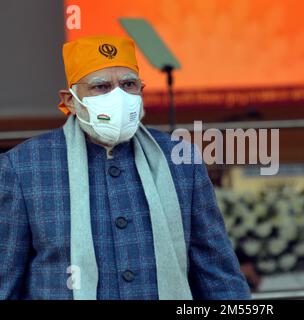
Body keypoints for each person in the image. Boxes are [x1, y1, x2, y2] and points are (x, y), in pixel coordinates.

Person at [0, 35, 251, 300]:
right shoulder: (24, 167)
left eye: (128, 84)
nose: (118, 96)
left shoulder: (180, 159)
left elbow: (218, 274)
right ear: (71, 100)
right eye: (101, 87)